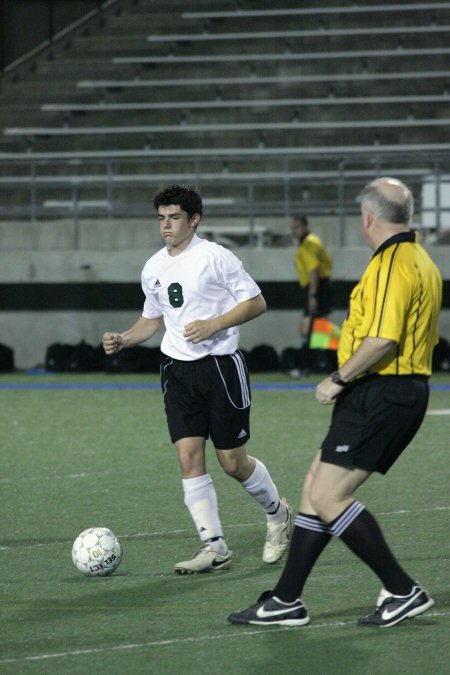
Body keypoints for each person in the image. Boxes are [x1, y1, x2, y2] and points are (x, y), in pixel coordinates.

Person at [228, 177, 442, 627]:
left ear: (368, 218)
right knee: (313, 491)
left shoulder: (392, 263)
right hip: (388, 391)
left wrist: (338, 378)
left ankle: (403, 590)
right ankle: (287, 600)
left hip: (383, 391)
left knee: (328, 495)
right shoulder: (419, 257)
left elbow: (382, 339)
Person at [103, 184, 293, 574]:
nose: (166, 226)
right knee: (188, 457)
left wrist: (214, 324)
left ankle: (278, 514)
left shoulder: (215, 258)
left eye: (174, 218)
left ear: (194, 219)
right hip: (176, 370)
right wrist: (125, 337)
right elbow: (152, 319)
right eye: (161, 218)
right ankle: (215, 546)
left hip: (221, 368)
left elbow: (257, 302)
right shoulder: (153, 266)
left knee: (232, 463)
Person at [289, 214, 333, 376]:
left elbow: (313, 271)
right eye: (292, 228)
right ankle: (321, 363)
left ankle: (305, 366)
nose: (294, 231)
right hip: (319, 287)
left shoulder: (308, 244)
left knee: (308, 326)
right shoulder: (311, 242)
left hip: (317, 287)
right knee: (318, 326)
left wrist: (313, 295)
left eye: (297, 227)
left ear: (306, 227)